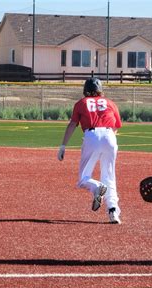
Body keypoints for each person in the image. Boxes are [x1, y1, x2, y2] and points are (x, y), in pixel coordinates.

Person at [57, 77, 122, 224]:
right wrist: (106, 138)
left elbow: (73, 124)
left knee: (83, 179)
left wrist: (63, 145)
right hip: (110, 136)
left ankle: (97, 187)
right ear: (100, 90)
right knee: (109, 176)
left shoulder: (81, 103)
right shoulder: (110, 103)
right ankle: (113, 211)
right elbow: (116, 125)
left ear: (85, 90)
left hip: (91, 134)